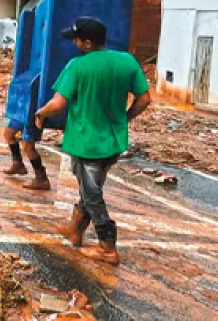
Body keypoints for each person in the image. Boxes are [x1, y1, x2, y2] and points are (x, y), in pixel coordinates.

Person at [34, 17, 151, 265]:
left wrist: (41, 113)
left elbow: (58, 103)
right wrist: (125, 118)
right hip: (113, 142)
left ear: (87, 42)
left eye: (76, 39)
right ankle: (75, 230)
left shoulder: (77, 66)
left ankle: (107, 247)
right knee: (90, 188)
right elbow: (144, 99)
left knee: (91, 193)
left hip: (86, 143)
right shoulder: (127, 61)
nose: (74, 43)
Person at [1, 120, 51, 190]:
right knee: (8, 134)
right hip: (19, 113)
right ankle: (18, 164)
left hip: (30, 115)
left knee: (28, 146)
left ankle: (42, 178)